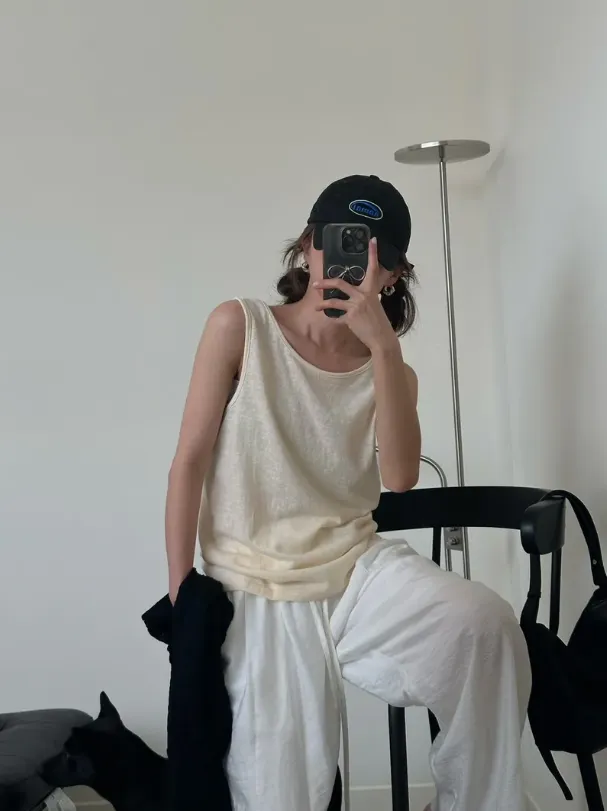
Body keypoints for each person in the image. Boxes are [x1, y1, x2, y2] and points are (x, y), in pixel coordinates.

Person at [165, 175, 531, 811]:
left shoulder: (392, 370)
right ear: (307, 246)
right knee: (281, 797)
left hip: (357, 570)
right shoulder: (240, 327)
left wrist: (383, 346)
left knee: (485, 627)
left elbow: (401, 478)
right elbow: (189, 461)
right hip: (255, 584)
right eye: (337, 242)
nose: (350, 266)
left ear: (392, 274)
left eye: (374, 255)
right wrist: (182, 597)